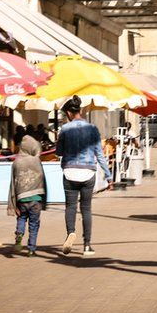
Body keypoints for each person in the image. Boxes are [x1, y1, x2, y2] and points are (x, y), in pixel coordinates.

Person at [56, 96, 112, 256]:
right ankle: (87, 245)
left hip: (70, 172)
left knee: (70, 207)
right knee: (86, 209)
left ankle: (70, 233)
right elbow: (100, 155)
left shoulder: (65, 129)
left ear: (68, 112)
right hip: (88, 173)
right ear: (80, 111)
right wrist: (108, 176)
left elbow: (58, 152)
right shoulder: (93, 129)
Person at [8, 136, 46, 256]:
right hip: (36, 199)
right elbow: (42, 179)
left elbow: (13, 184)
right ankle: (31, 248)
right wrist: (44, 200)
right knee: (34, 224)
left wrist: (13, 204)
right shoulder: (36, 161)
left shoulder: (16, 162)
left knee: (21, 218)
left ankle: (19, 233)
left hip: (21, 198)